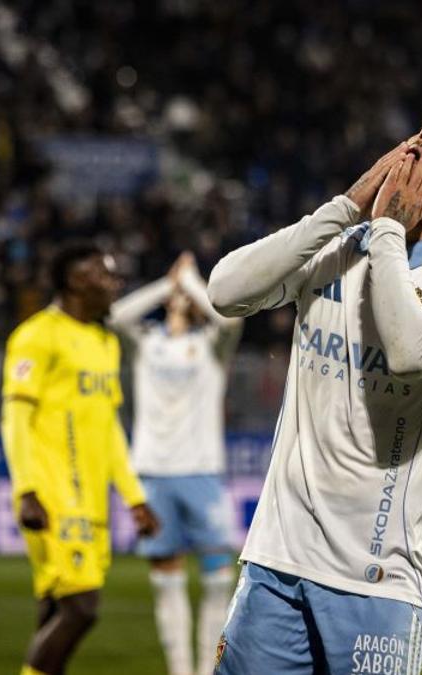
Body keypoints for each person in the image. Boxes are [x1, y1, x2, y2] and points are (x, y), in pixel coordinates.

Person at [206, 99, 422, 674]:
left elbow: (410, 351)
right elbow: (225, 292)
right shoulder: (339, 244)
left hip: (378, 579)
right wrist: (348, 207)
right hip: (275, 560)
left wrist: (387, 233)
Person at [1, 241, 159, 675]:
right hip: (52, 497)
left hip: (91, 501)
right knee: (82, 608)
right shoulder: (36, 336)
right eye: (106, 275)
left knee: (56, 610)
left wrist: (134, 497)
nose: (115, 284)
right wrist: (27, 490)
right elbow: (14, 419)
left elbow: (107, 428)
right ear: (76, 281)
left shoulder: (103, 342)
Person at [108, 251, 243, 675]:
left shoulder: (210, 346)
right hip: (153, 472)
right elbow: (115, 316)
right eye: (177, 295)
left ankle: (207, 669)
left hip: (202, 470)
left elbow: (229, 320)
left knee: (219, 578)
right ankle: (181, 670)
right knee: (165, 579)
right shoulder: (147, 345)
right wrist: (169, 284)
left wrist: (192, 280)